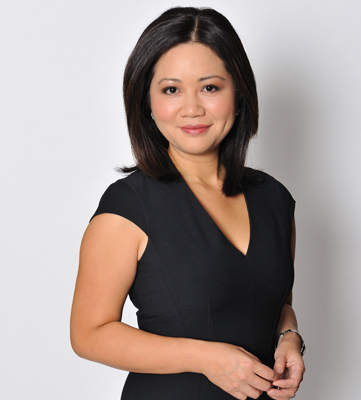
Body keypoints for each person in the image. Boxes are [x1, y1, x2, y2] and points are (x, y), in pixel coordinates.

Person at [70, 6, 305, 400]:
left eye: (210, 88)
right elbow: (89, 334)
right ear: (147, 101)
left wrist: (290, 338)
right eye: (171, 90)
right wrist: (205, 358)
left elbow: (274, 304)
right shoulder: (129, 205)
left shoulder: (275, 200)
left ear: (238, 94)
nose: (192, 108)